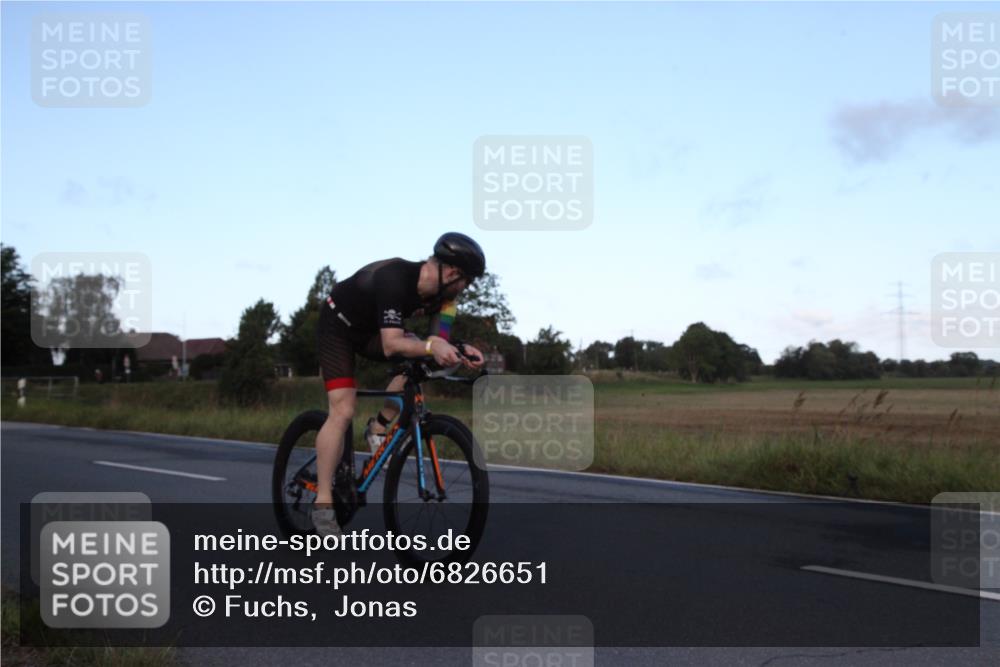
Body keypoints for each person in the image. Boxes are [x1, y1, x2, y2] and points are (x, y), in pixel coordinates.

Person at [312, 232, 486, 536]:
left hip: (371, 332)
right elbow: (392, 345)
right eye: (467, 282)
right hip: (337, 326)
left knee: (419, 361)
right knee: (343, 409)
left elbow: (436, 344)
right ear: (454, 273)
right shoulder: (395, 277)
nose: (465, 289)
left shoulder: (447, 302)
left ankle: (378, 427)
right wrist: (433, 347)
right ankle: (323, 504)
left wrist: (458, 350)